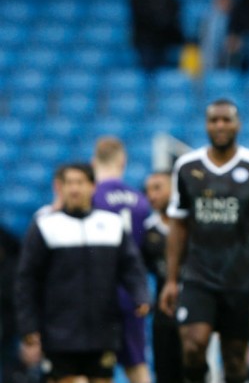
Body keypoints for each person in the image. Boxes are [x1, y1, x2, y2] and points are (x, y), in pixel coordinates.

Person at [159, 99, 249, 383]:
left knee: (235, 361)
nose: (220, 125)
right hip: (198, 277)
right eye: (214, 120)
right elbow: (177, 225)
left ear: (237, 124)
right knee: (193, 345)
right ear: (206, 125)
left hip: (240, 279)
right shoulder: (187, 167)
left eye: (226, 120)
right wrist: (171, 279)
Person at [15, 163, 149, 383]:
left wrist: (140, 295)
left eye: (80, 183)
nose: (74, 189)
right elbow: (27, 279)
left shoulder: (112, 225)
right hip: (59, 333)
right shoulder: (45, 227)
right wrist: (28, 325)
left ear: (93, 187)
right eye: (69, 183)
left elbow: (131, 267)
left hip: (103, 330)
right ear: (61, 188)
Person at [91, 136, 152, 383]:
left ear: (94, 161)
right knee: (136, 363)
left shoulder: (91, 198)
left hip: (98, 292)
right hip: (131, 292)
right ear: (123, 161)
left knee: (99, 368)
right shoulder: (141, 200)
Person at [141, 171, 183, 383]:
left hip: (195, 308)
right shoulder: (147, 230)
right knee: (164, 371)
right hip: (163, 312)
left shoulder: (193, 226)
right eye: (148, 190)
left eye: (157, 188)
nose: (151, 195)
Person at [129, 0, 183, 71]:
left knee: (167, 75)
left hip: (167, 41)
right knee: (148, 71)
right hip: (146, 42)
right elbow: (140, 17)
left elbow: (174, 13)